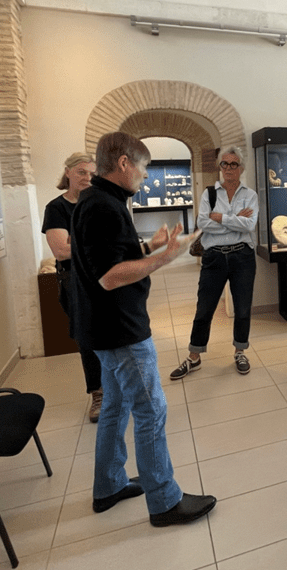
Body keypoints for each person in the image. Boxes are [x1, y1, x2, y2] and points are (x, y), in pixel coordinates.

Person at [70, 131, 215, 525]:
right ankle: (164, 501)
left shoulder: (97, 200)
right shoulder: (104, 206)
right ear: (124, 163)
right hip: (120, 330)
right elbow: (109, 276)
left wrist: (150, 248)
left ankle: (109, 484)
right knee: (151, 410)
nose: (146, 175)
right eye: (144, 167)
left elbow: (110, 257)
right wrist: (166, 258)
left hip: (103, 327)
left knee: (116, 407)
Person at [171, 146, 258, 379]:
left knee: (242, 308)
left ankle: (240, 352)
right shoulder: (209, 194)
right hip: (214, 257)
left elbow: (250, 225)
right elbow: (203, 223)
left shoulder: (250, 195)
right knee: (204, 308)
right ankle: (194, 356)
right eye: (224, 164)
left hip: (242, 257)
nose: (228, 168)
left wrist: (220, 218)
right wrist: (235, 220)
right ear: (220, 166)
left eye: (233, 164)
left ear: (241, 168)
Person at [41, 152, 104, 422]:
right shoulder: (57, 208)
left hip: (106, 279)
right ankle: (98, 393)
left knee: (114, 336)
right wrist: (98, 244)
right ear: (68, 172)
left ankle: (118, 388)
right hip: (76, 282)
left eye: (92, 173)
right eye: (81, 172)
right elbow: (61, 251)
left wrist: (79, 243)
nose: (87, 178)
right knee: (88, 340)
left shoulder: (100, 204)